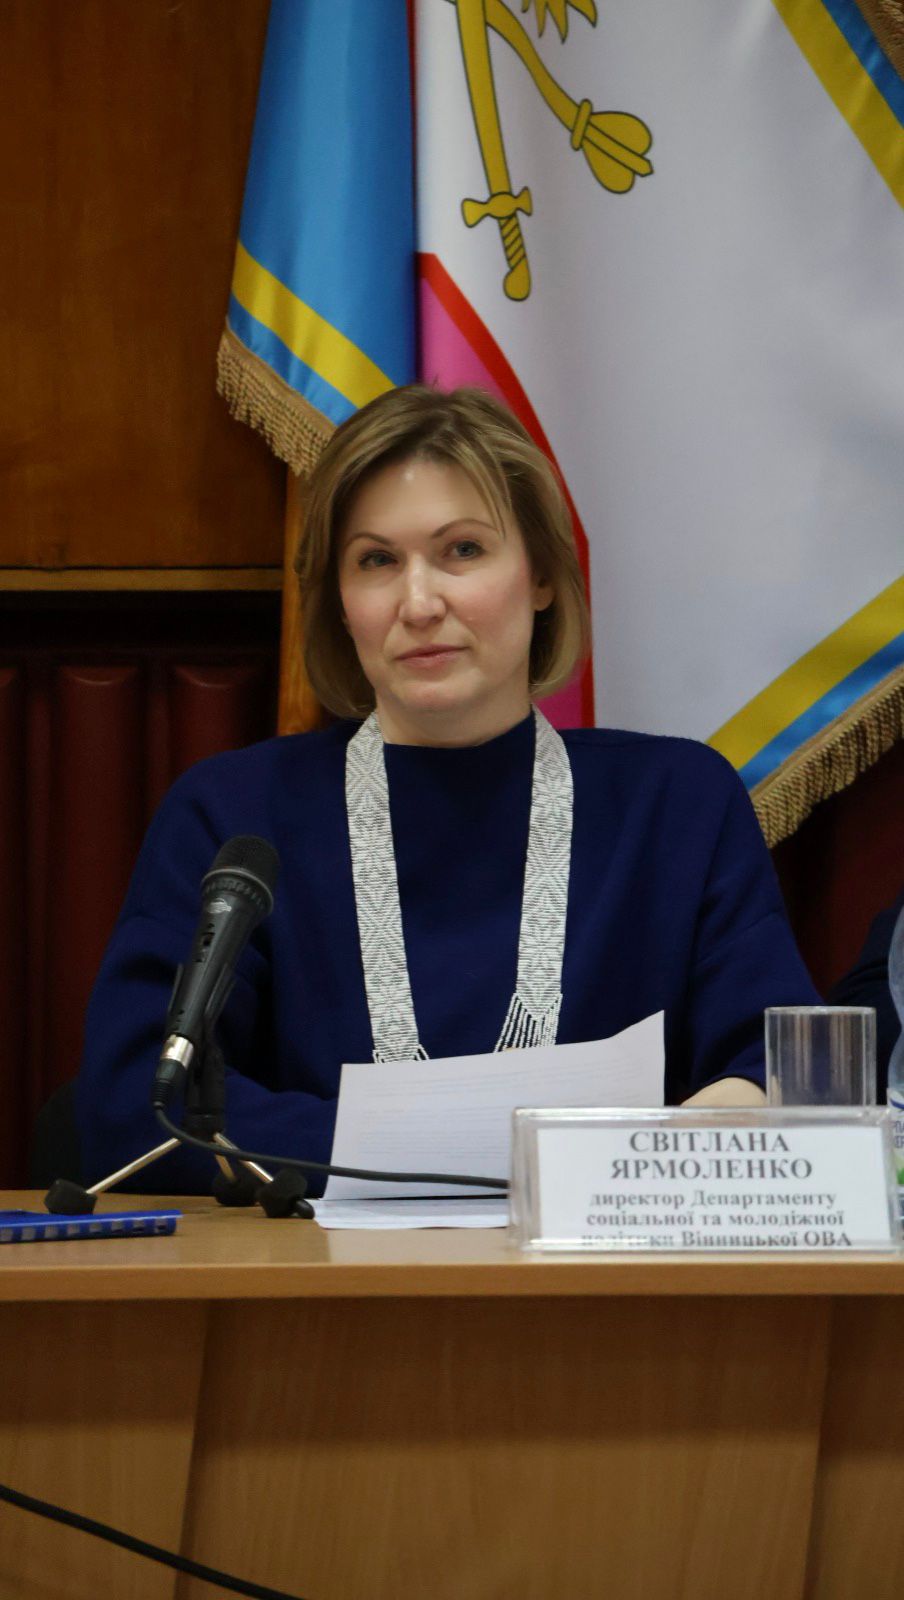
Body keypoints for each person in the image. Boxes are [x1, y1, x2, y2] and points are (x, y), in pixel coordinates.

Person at [75, 385, 820, 1193]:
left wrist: (679, 1143)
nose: (420, 602)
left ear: (541, 575)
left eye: (463, 550)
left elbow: (784, 1075)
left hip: (605, 1264)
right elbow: (137, 1108)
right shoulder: (234, 817)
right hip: (311, 1271)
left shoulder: (677, 806)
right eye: (376, 561)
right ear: (340, 604)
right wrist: (497, 1151)